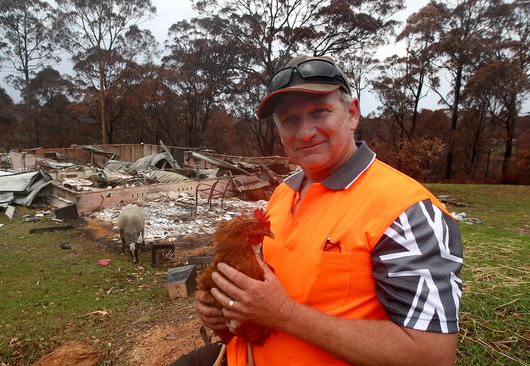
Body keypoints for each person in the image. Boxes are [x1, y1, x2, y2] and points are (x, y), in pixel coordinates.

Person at [174, 55, 463, 366]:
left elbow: (431, 355)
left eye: (319, 112)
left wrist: (285, 314)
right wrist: (222, 309)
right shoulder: (283, 194)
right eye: (290, 120)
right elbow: (262, 294)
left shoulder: (406, 211)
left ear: (352, 114)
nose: (305, 133)